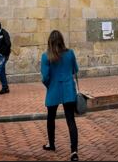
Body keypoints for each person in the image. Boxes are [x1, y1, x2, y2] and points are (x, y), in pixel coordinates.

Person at [41, 30, 79, 161]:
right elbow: (75, 71)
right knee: (71, 121)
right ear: (62, 40)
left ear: (50, 42)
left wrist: (50, 86)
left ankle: (51, 144)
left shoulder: (46, 56)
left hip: (54, 90)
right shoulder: (70, 53)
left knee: (50, 118)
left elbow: (45, 77)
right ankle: (74, 152)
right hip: (68, 90)